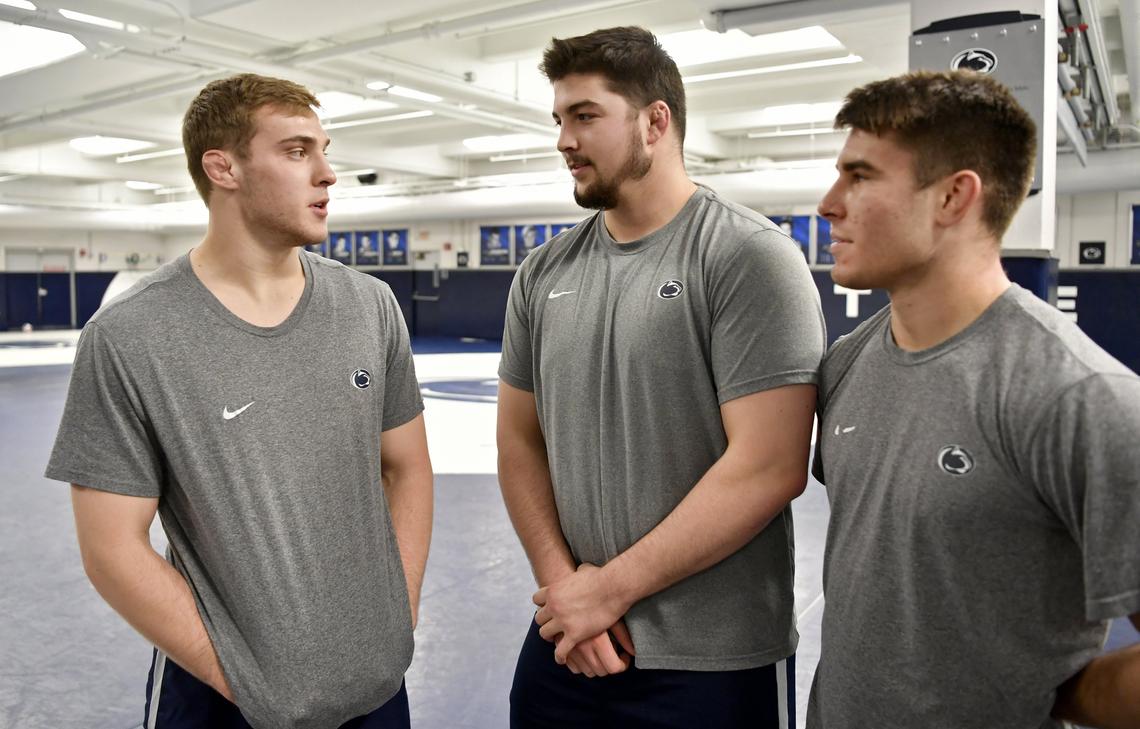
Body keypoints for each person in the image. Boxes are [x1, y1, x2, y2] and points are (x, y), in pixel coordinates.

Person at [44, 74, 433, 729]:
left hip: (375, 689)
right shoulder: (130, 336)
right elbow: (111, 547)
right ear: (222, 168)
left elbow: (408, 467)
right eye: (296, 151)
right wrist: (250, 682)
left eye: (324, 149)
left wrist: (401, 612)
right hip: (221, 700)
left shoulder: (370, 307)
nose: (328, 173)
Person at [497, 26, 826, 728]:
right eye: (559, 119)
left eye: (586, 116)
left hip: (713, 658)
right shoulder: (543, 273)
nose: (564, 139)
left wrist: (605, 592)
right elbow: (520, 441)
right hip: (571, 643)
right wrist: (567, 594)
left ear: (655, 121)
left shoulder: (747, 257)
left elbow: (768, 466)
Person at [810, 70, 1140, 729]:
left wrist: (1051, 693)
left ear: (954, 198)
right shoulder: (847, 362)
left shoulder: (1080, 397)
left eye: (861, 175)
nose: (828, 202)